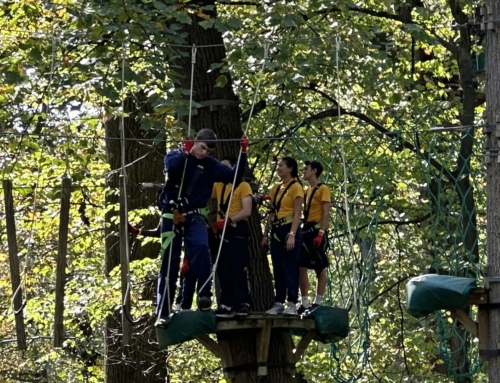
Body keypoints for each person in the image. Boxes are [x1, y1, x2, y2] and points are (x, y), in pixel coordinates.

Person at [156, 129, 248, 327]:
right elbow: (171, 169)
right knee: (170, 262)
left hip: (194, 214)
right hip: (172, 214)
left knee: (200, 247)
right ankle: (163, 312)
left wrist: (243, 154)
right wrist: (184, 153)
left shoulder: (211, 165)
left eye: (208, 150)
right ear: (195, 142)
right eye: (202, 147)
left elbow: (234, 177)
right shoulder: (176, 156)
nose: (204, 153)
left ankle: (205, 294)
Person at [261, 157, 304, 315]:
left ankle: (292, 302)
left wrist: (292, 234)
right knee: (278, 266)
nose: (278, 168)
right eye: (277, 165)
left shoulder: (296, 187)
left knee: (290, 266)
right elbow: (271, 213)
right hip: (276, 229)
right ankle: (279, 301)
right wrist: (265, 234)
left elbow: (298, 213)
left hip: (290, 228)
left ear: (290, 168)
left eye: (281, 165)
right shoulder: (276, 188)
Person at [211, 157, 253, 318]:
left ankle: (244, 303)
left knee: (238, 268)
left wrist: (229, 220)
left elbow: (247, 211)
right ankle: (226, 304)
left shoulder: (243, 186)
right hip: (222, 233)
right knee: (223, 269)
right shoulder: (218, 186)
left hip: (237, 230)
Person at [127, 222, 197, 311]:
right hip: (183, 250)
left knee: (190, 273)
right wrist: (138, 231)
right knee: (177, 273)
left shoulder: (181, 211)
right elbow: (159, 231)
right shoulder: (166, 213)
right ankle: (178, 305)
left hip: (194, 248)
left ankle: (189, 306)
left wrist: (187, 257)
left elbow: (190, 233)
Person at [298, 160, 331, 314]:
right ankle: (304, 302)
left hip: (317, 230)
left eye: (306, 169)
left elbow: (325, 213)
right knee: (301, 266)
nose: (303, 171)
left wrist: (321, 234)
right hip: (306, 230)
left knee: (320, 267)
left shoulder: (323, 189)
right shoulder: (305, 190)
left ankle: (318, 302)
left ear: (314, 171)